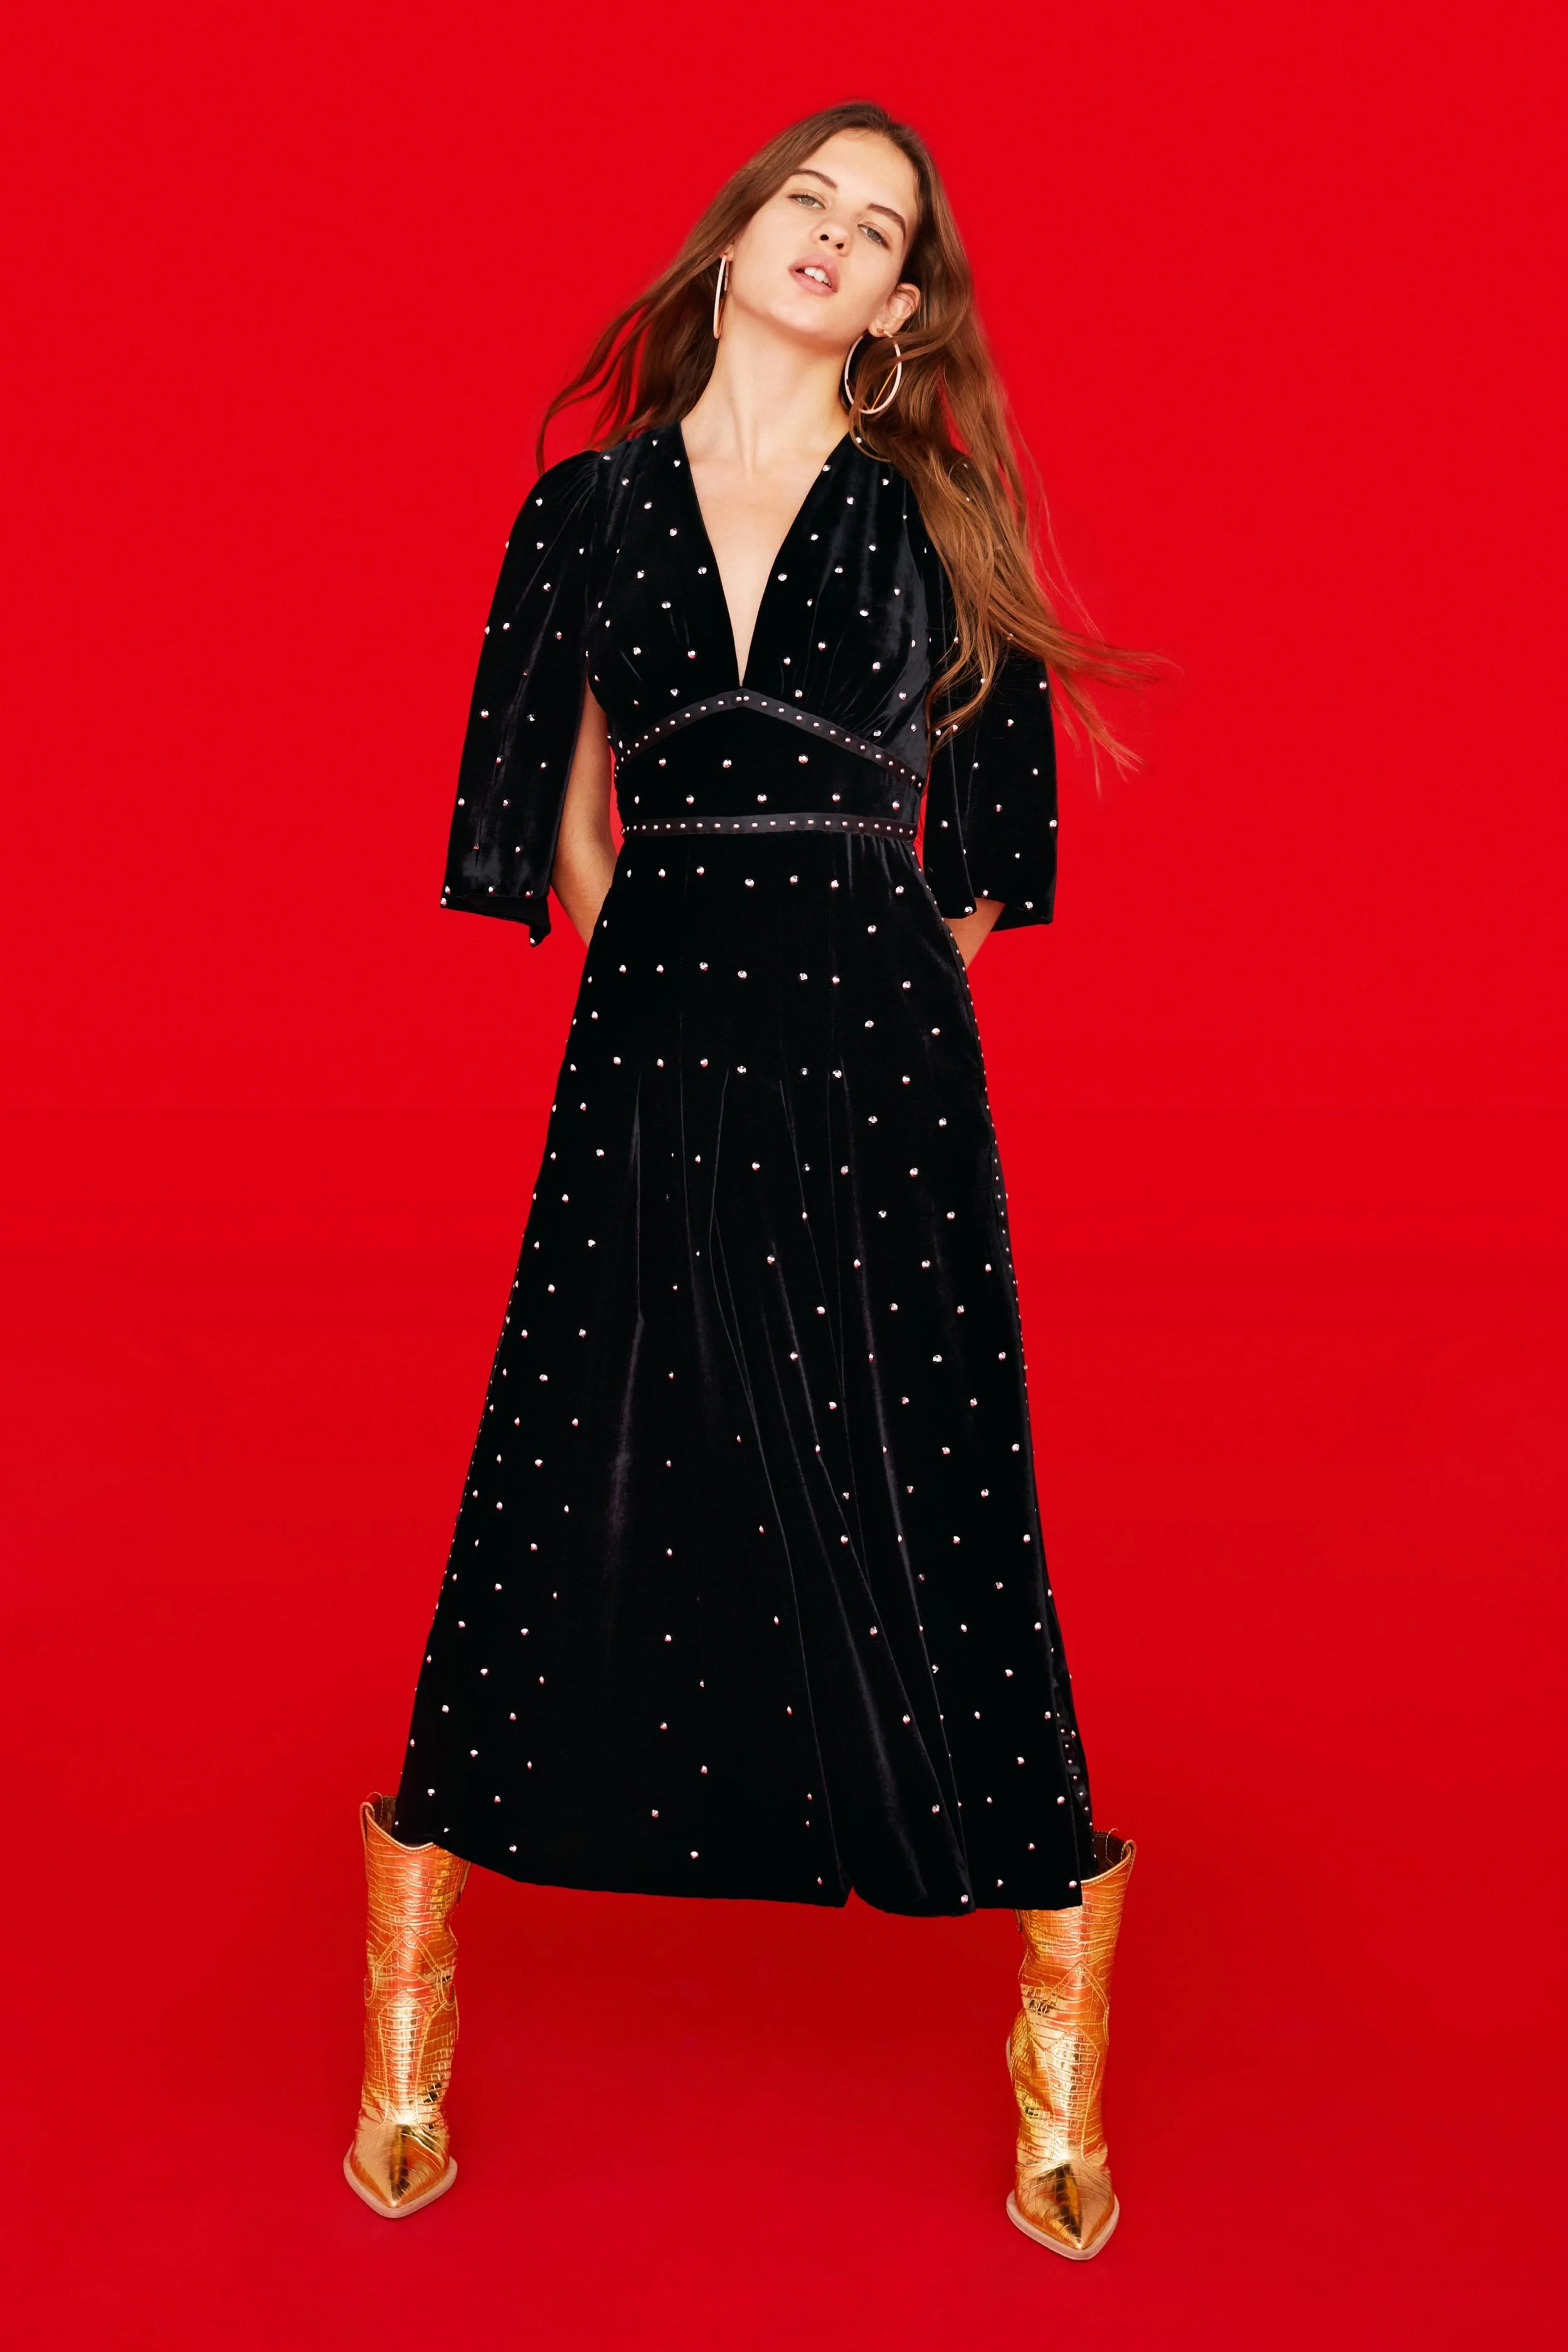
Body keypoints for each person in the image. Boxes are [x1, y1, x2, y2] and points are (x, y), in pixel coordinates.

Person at [344, 100, 1146, 2259]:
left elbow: (982, 865)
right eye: (807, 199)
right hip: (651, 1025)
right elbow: (555, 811)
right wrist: (660, 980)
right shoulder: (583, 510)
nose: (831, 237)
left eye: (877, 230)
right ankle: (409, 2010)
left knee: (936, 1482)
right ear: (736, 243)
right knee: (566, 1465)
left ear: (897, 307)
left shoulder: (937, 515)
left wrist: (866, 1006)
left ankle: (1054, 2036)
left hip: (880, 1050)